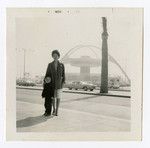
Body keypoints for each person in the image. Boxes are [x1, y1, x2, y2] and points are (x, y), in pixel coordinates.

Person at [44, 50, 65, 116]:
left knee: (58, 97)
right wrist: (45, 81)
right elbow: (47, 74)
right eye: (54, 55)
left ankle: (57, 111)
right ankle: (54, 109)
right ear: (52, 56)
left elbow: (63, 75)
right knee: (53, 98)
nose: (55, 57)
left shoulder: (61, 65)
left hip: (59, 85)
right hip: (52, 84)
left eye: (56, 55)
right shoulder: (50, 65)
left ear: (58, 56)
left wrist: (63, 83)